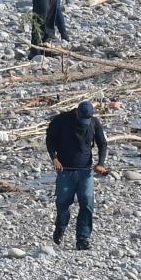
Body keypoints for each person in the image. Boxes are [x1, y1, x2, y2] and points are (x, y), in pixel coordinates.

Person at [44, 100, 108, 250]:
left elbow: (102, 143)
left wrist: (101, 164)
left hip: (86, 172)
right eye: (81, 119)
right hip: (65, 171)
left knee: (87, 203)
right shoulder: (61, 120)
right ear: (76, 113)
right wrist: (54, 158)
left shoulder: (93, 123)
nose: (84, 122)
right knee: (63, 203)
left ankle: (82, 239)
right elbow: (50, 140)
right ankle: (61, 226)